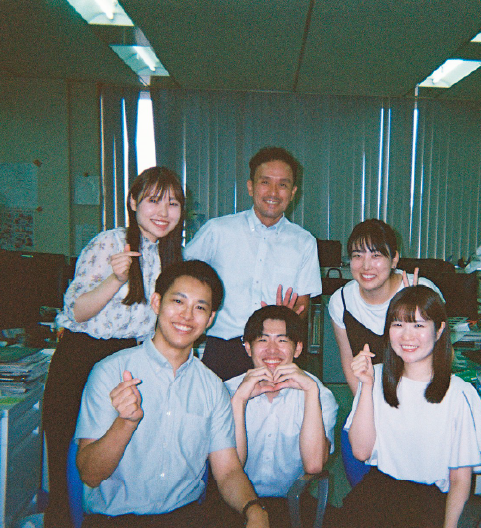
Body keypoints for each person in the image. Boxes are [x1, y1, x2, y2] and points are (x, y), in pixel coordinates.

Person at [75, 260, 269, 528]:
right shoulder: (110, 372)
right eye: (178, 301)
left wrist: (254, 509)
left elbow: (228, 471)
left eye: (200, 307)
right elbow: (90, 474)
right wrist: (125, 423)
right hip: (114, 520)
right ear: (157, 303)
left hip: (184, 518)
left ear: (210, 319)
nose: (187, 316)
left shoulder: (213, 388)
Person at [43, 167, 185, 528]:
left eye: (172, 204)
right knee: (67, 457)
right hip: (82, 356)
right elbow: (76, 311)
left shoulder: (169, 255)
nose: (163, 212)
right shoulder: (110, 242)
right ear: (133, 202)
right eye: (154, 200)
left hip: (128, 361)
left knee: (111, 455)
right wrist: (117, 278)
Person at [337, 286, 481, 528]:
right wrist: (366, 386)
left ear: (439, 330)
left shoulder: (459, 393)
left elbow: (460, 481)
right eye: (398, 324)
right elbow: (361, 452)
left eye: (418, 325)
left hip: (428, 503)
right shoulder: (374, 377)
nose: (406, 336)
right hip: (376, 494)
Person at [183, 146, 322, 381]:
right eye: (265, 182)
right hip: (222, 350)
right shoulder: (218, 231)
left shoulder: (304, 242)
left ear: (293, 192)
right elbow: (182, 279)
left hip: (274, 353)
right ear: (250, 187)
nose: (273, 192)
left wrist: (288, 316)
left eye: (283, 184)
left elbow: (302, 305)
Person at [224, 305, 338, 527]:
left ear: (298, 348)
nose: (272, 350)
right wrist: (239, 401)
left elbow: (314, 466)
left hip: (293, 502)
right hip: (236, 501)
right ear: (248, 347)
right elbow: (230, 469)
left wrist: (310, 392)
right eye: (263, 340)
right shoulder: (227, 391)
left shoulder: (319, 394)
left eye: (282, 340)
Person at [327, 219, 441, 395]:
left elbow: (444, 354)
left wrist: (414, 312)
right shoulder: (341, 301)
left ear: (394, 259)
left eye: (376, 256)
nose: (366, 266)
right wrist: (364, 403)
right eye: (357, 256)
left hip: (423, 393)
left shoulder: (422, 290)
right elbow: (349, 362)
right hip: (371, 396)